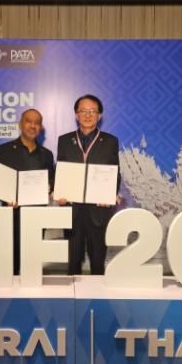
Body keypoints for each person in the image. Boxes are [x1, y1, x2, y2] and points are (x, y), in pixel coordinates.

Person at [56, 94, 120, 275]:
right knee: (73, 262)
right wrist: (59, 192)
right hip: (72, 209)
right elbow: (60, 170)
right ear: (76, 114)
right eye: (83, 111)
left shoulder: (110, 141)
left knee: (98, 262)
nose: (88, 115)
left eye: (92, 111)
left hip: (98, 210)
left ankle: (98, 294)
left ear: (99, 115)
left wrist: (109, 194)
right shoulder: (64, 140)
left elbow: (115, 172)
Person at [0, 108, 54, 275]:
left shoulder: (47, 155)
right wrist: (6, 196)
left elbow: (52, 181)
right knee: (11, 266)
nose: (33, 126)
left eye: (37, 123)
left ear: (41, 128)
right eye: (29, 121)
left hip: (37, 217)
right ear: (20, 124)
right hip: (12, 215)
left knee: (32, 266)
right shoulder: (4, 150)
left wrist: (50, 187)